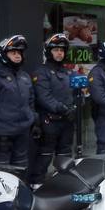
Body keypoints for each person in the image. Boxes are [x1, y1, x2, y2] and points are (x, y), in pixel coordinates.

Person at [0, 34, 36, 171]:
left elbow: (31, 102)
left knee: (21, 168)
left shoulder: (25, 77)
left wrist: (35, 121)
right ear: (4, 55)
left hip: (23, 132)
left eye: (19, 53)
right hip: (3, 135)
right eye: (13, 53)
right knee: (2, 171)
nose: (17, 56)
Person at [29, 33, 76, 183]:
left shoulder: (67, 72)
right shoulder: (41, 72)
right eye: (56, 50)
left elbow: (73, 94)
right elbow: (43, 97)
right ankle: (36, 184)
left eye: (62, 50)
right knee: (45, 155)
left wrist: (73, 106)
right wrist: (62, 108)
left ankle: (62, 183)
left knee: (65, 155)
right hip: (49, 121)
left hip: (66, 121)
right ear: (49, 51)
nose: (59, 53)